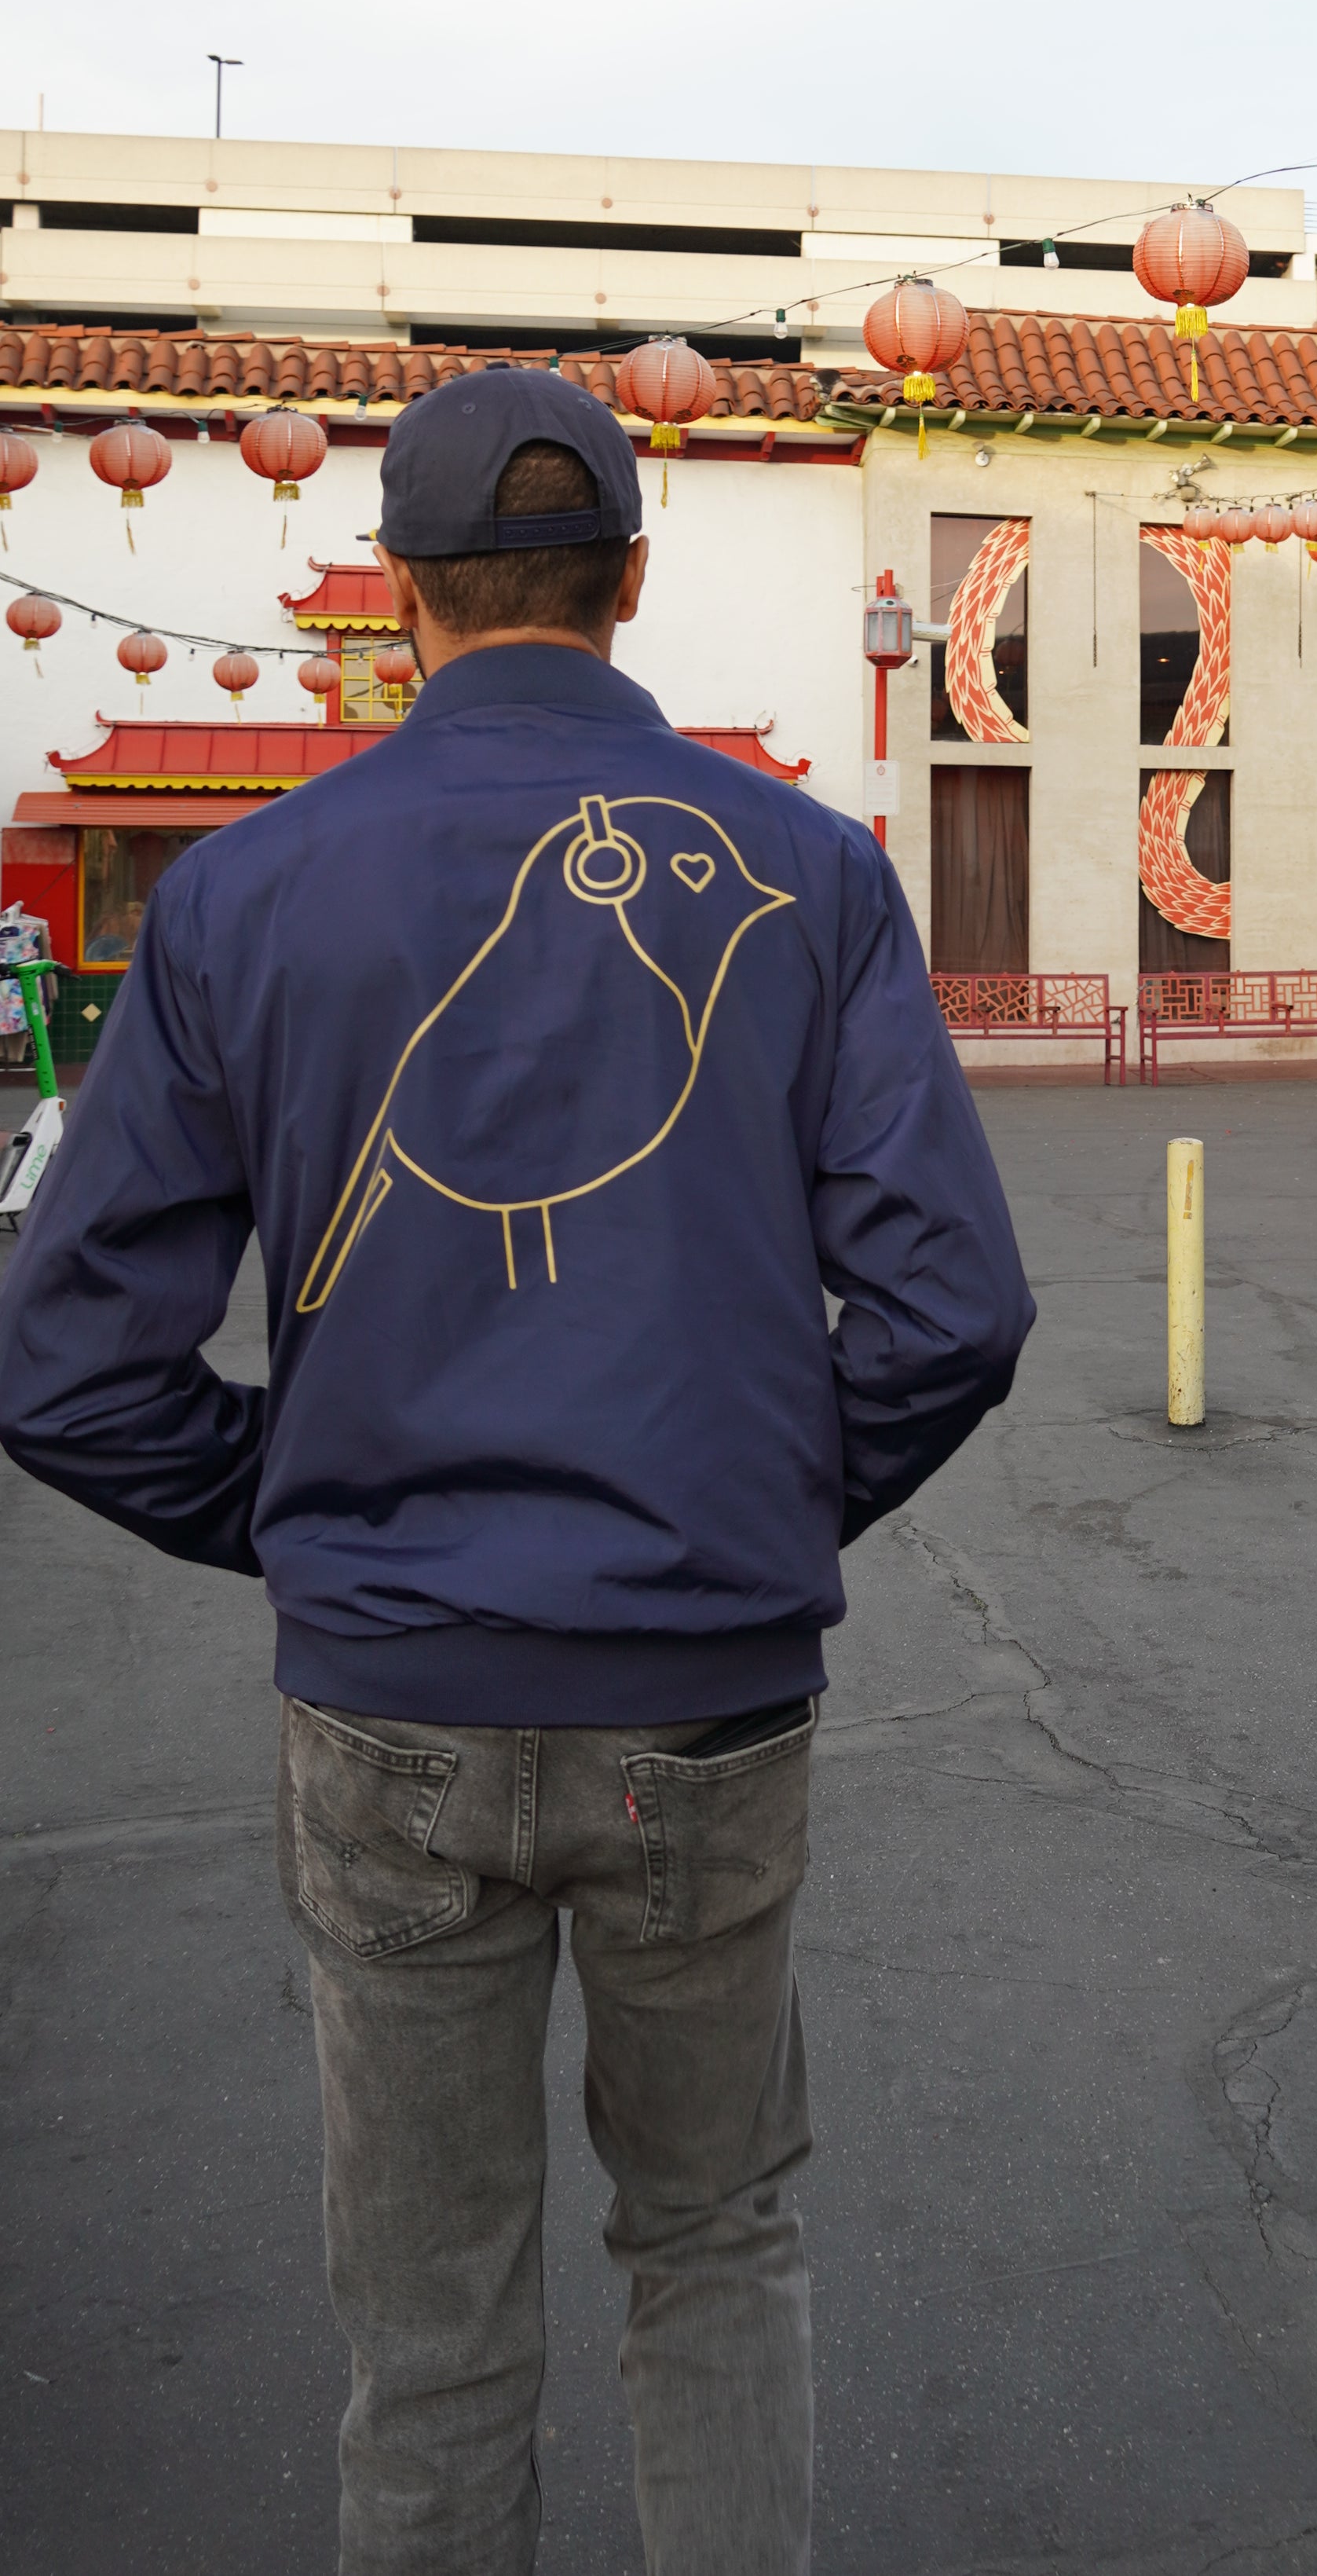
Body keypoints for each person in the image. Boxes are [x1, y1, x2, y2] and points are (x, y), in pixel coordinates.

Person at [0, 365, 1035, 2572]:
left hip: (388, 1695)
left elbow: (68, 1366)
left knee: (431, 2325)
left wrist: (307, 1506)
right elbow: (954, 1309)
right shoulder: (805, 871)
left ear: (401, 595)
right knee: (716, 2236)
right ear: (633, 582)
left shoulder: (242, 893)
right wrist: (746, 1507)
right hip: (710, 1689)